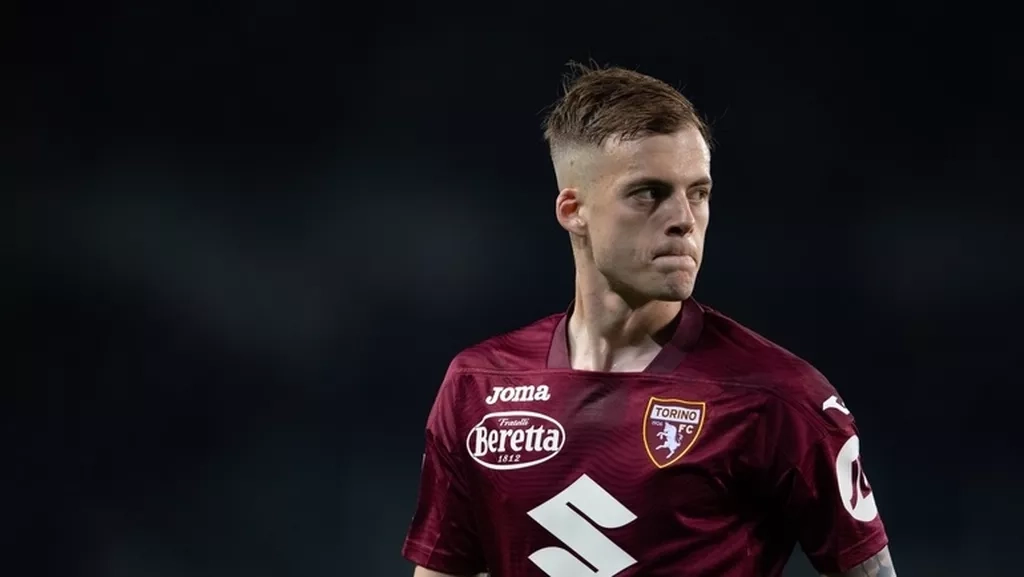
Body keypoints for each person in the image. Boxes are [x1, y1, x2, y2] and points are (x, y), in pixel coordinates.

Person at [401, 63, 895, 577]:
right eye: (649, 193)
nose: (684, 218)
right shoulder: (479, 386)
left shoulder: (780, 398)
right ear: (572, 210)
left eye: (698, 193)